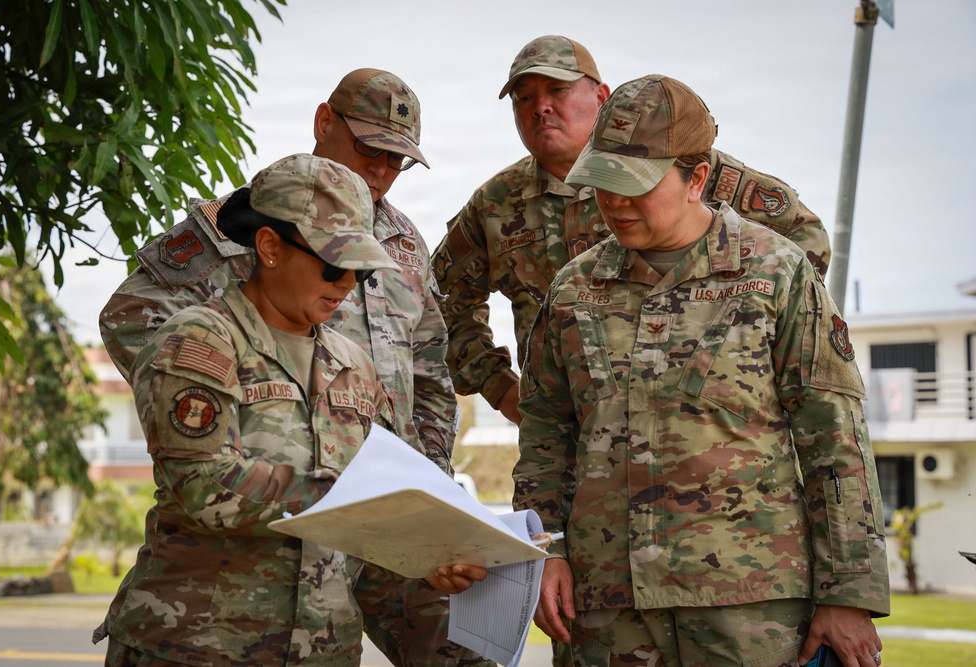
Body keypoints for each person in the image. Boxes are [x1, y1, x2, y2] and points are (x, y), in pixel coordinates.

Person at [98, 70, 491, 666]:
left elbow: (431, 369)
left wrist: (423, 494)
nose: (383, 170)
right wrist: (238, 396)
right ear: (324, 124)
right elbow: (136, 328)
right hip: (225, 602)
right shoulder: (244, 228)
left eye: (398, 160)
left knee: (464, 652)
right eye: (370, 149)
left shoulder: (403, 246)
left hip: (360, 538)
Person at [512, 75, 889, 667]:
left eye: (634, 186)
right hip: (609, 613)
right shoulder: (573, 289)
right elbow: (545, 435)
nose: (613, 202)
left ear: (697, 178)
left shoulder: (777, 273)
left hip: (751, 612)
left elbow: (834, 438)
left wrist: (850, 593)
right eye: (602, 183)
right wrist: (546, 549)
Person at [432, 35, 831, 427]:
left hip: (696, 428)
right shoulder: (496, 204)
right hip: (566, 435)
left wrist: (747, 349)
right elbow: (438, 301)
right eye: (524, 98)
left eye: (558, 90)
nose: (542, 108)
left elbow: (802, 236)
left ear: (601, 96)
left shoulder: (675, 164)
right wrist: (503, 392)